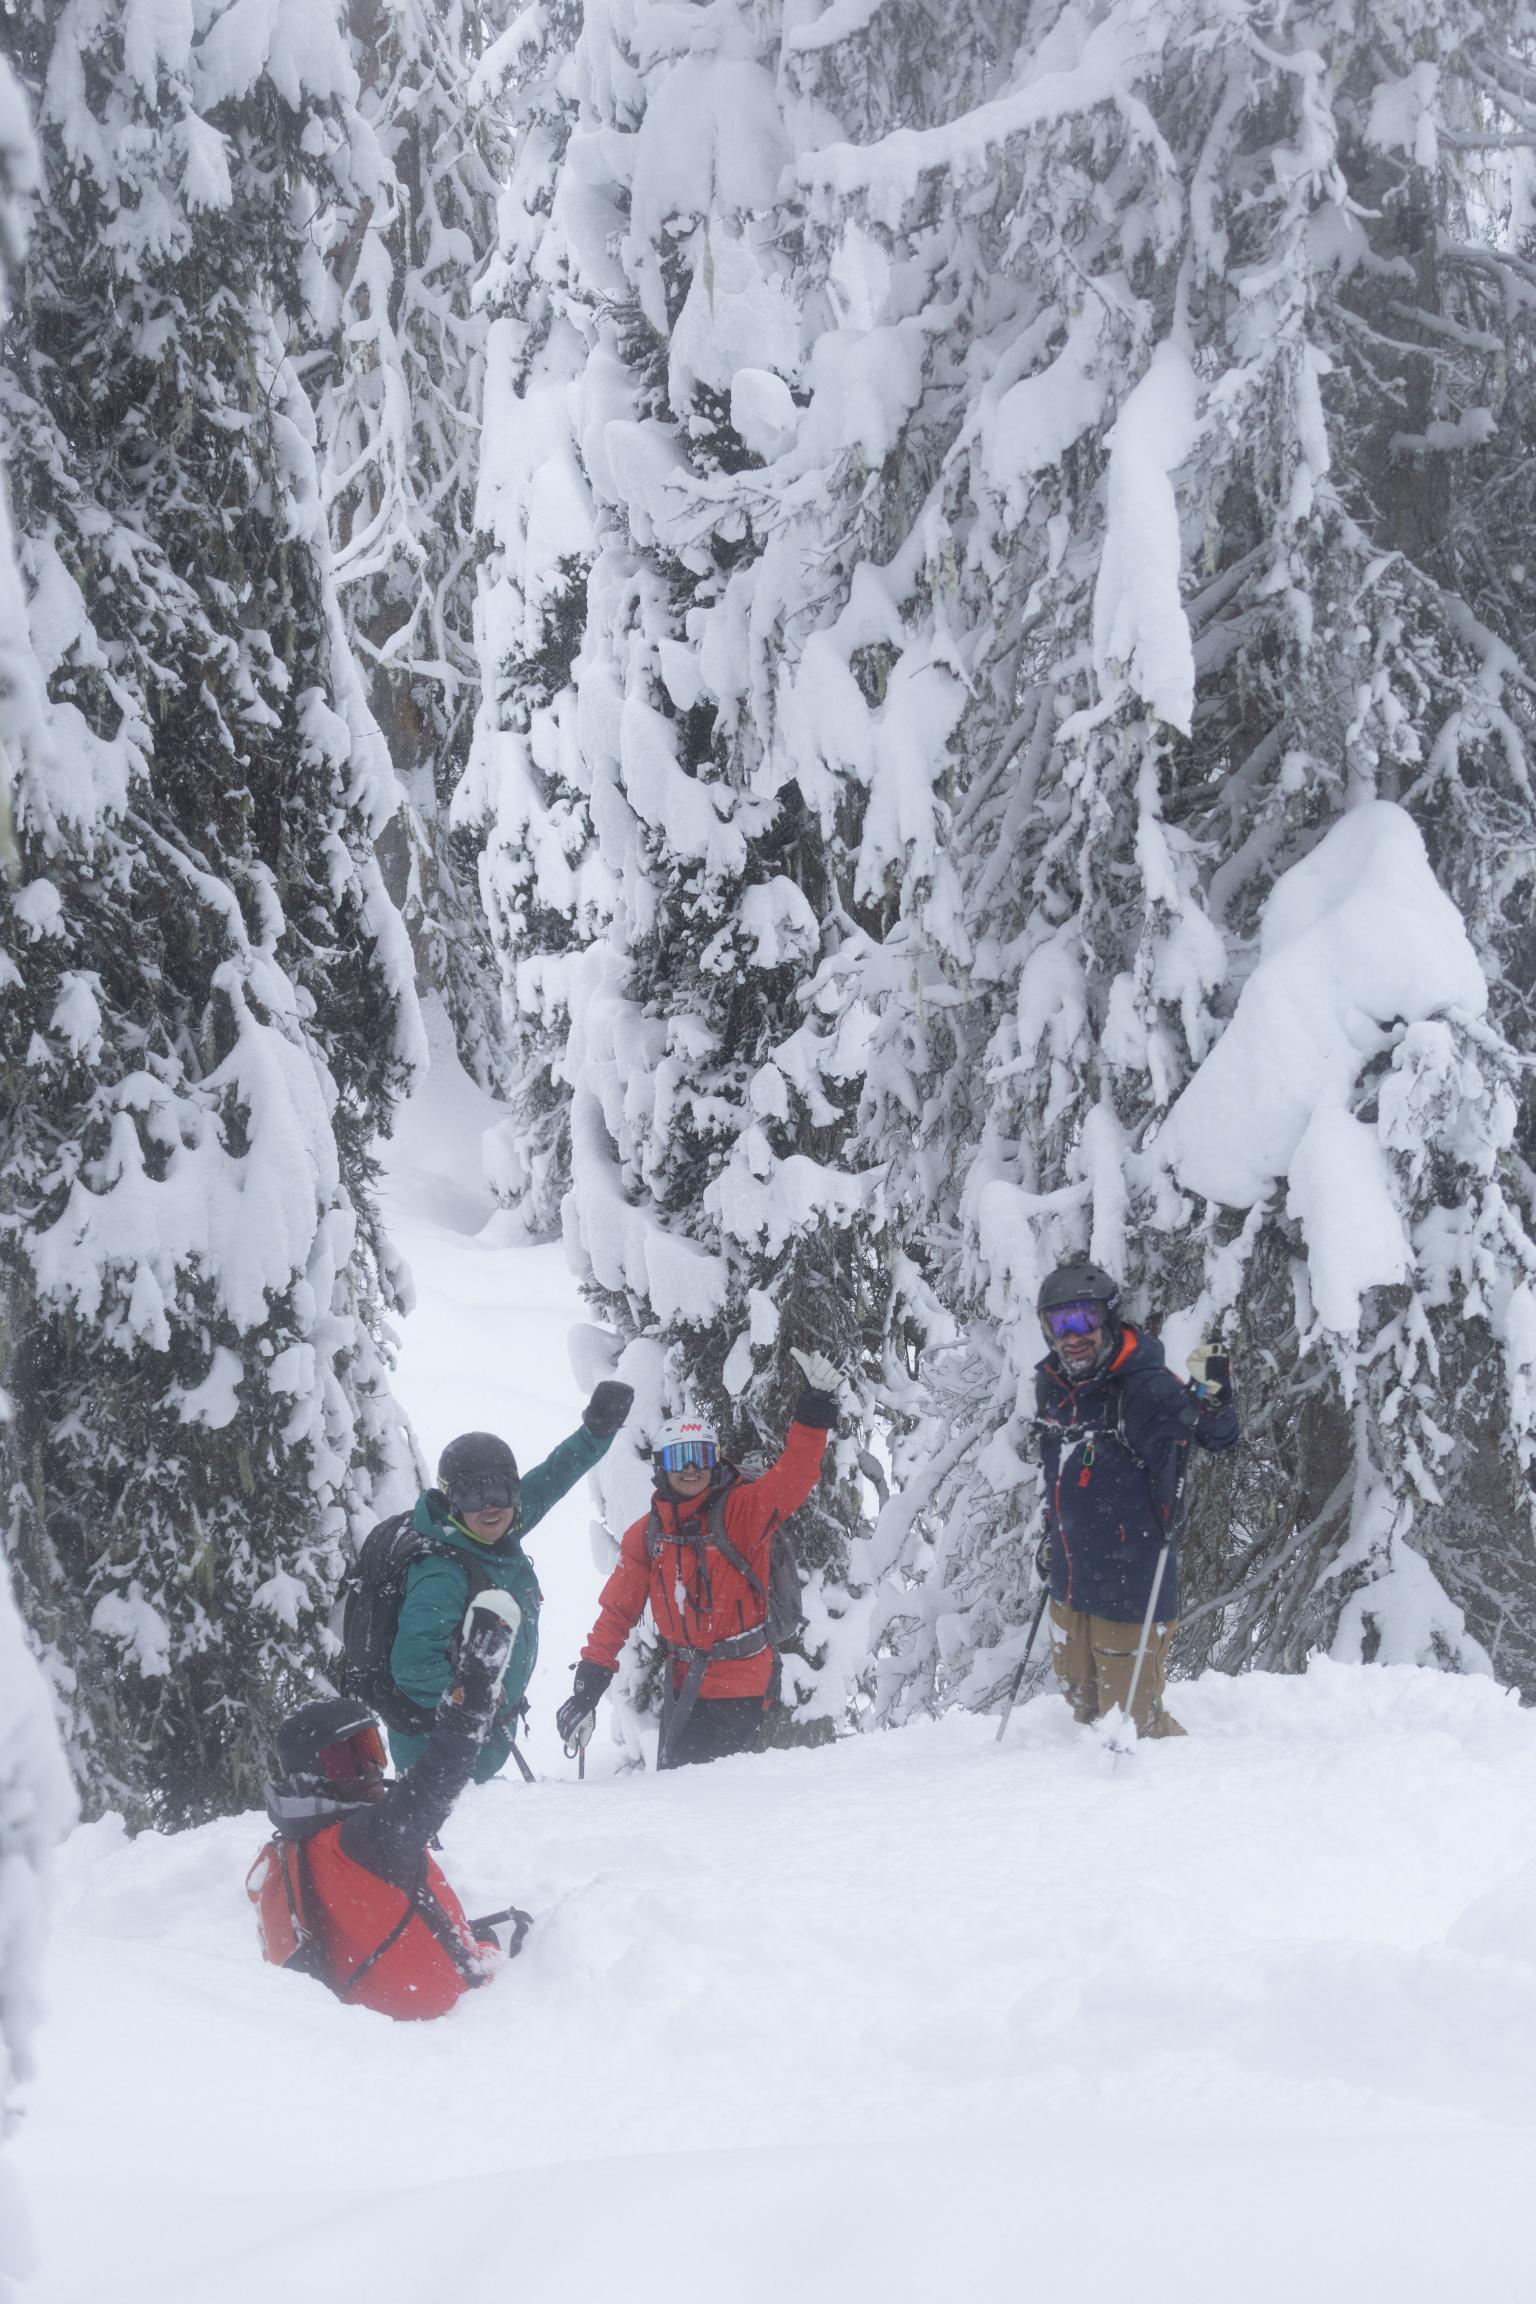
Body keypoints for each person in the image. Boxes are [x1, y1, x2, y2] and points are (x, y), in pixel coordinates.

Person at [554, 1348, 840, 1770]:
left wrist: (816, 1408)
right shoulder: (648, 1534)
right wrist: (588, 1686)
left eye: (701, 1456)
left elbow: (795, 1475)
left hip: (741, 1682)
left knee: (698, 1793)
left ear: (714, 1461)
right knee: (683, 1786)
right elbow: (617, 1611)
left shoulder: (742, 1512)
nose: (690, 1468)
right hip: (685, 1684)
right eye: (678, 1458)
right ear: (661, 1467)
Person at [250, 1590, 529, 2019]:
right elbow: (440, 1776)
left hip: (384, 2023)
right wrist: (474, 1690)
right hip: (457, 2025)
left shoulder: (308, 1846)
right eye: (347, 1761)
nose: (370, 1771)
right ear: (313, 1778)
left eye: (370, 1749)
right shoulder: (363, 1841)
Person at [387, 1380, 635, 1781]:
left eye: (501, 1491)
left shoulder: (496, 1531)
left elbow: (553, 1476)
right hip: (438, 1752)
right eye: (472, 1496)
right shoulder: (441, 1572)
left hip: (480, 1741)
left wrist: (596, 1432)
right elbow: (413, 1666)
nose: (490, 1506)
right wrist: (476, 1702)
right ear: (451, 1500)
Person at [1033, 1261, 1238, 1737]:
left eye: (1082, 1319)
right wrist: (1050, 1536)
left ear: (1106, 1318)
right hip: (1069, 1580)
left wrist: (1215, 1401)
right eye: (1058, 1323)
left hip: (1130, 1587)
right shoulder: (1053, 1385)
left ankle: (1187, 1778)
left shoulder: (1145, 1387)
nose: (1071, 1336)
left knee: (1132, 1726)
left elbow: (1215, 1436)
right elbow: (1057, 1473)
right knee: (1082, 1707)